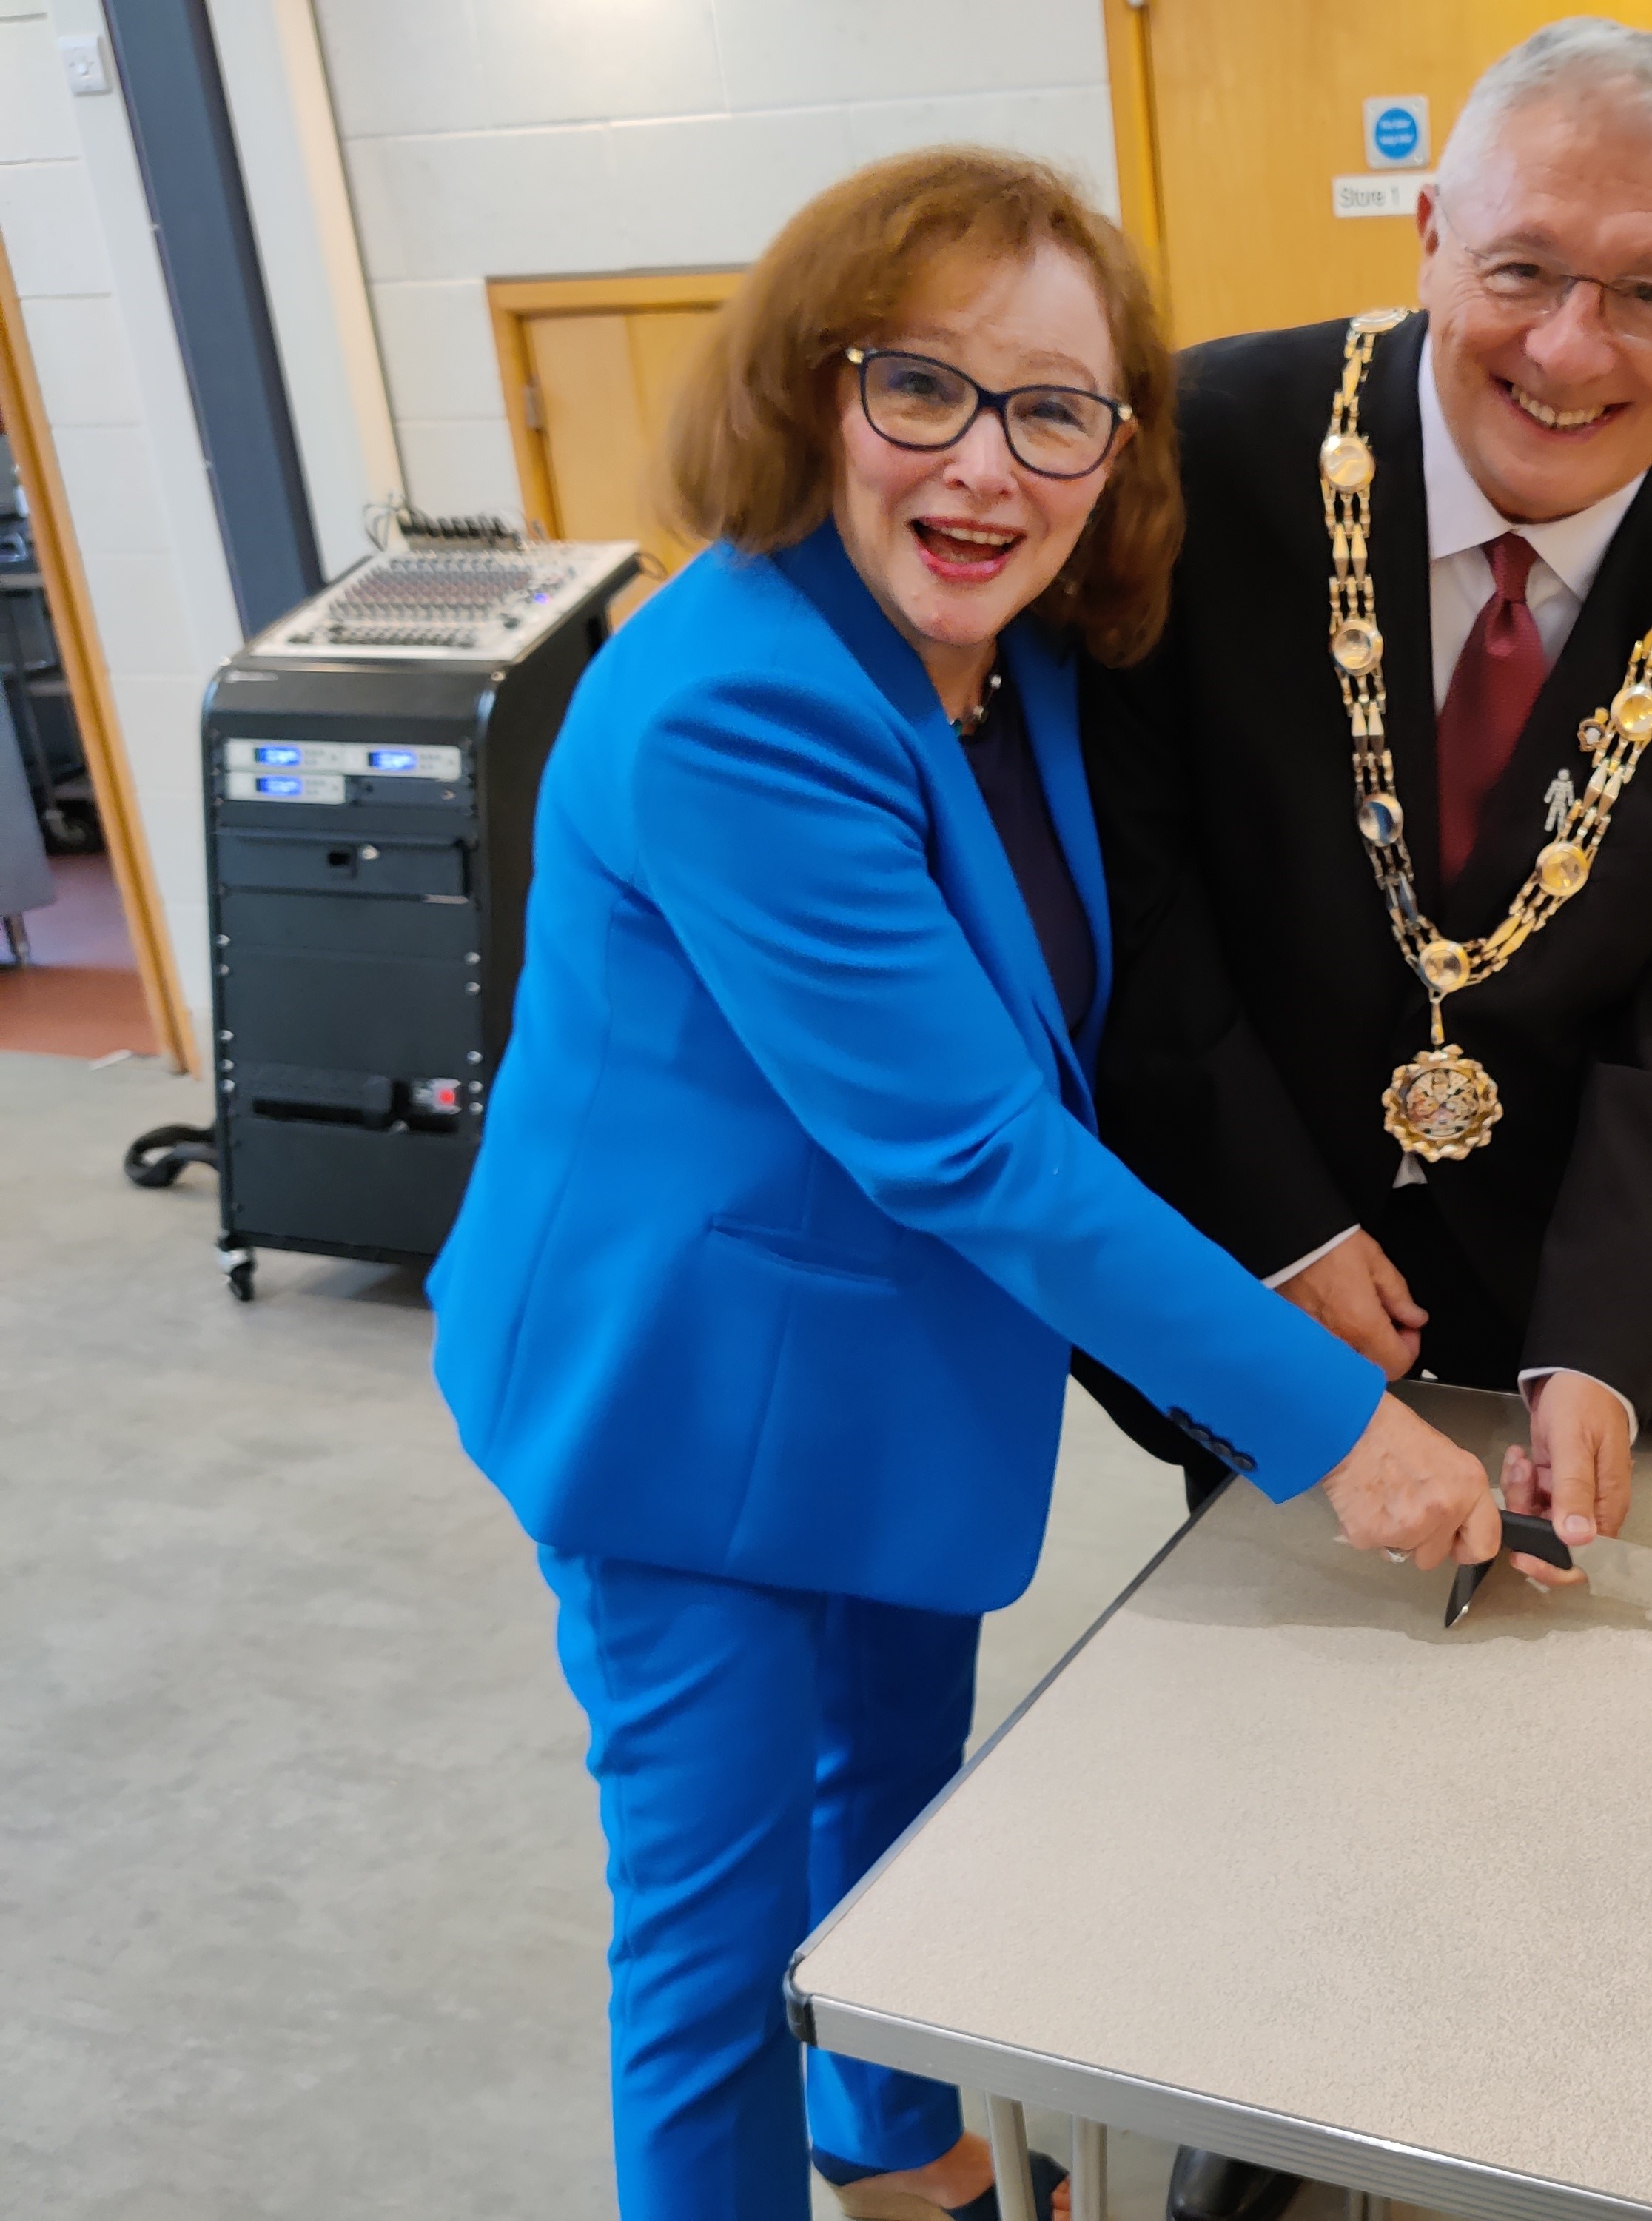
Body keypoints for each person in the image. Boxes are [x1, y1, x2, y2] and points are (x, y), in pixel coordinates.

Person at [425, 150, 1497, 2221]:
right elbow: (975, 1149)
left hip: (888, 1373)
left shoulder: (1024, 662)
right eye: (922, 387)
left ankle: (903, 2171)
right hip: (684, 1398)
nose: (985, 465)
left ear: (1115, 446)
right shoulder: (740, 696)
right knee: (717, 1952)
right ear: (807, 389)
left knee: (895, 1818)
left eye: (1054, 409)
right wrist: (1330, 1426)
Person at [1080, 24, 1652, 2221]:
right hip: (1263, 1208)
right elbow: (1129, 885)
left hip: (1593, 1244)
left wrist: (1606, 1336)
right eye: (1522, 268)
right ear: (1425, 231)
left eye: (1648, 292)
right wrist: (1270, 1228)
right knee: (1290, 1708)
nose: (1570, 346)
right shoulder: (1211, 452)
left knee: (1602, 1745)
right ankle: (1263, 2117)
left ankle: (1564, 2115)